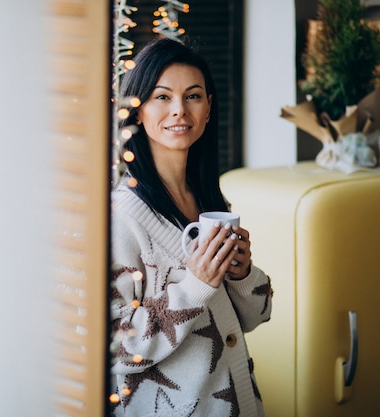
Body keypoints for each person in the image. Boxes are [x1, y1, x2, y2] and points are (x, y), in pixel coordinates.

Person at [110, 38, 273, 417]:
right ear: (137, 110)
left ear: (209, 108)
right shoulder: (123, 217)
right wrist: (194, 286)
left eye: (193, 96)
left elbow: (256, 315)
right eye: (162, 97)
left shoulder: (209, 203)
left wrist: (241, 274)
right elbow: (113, 347)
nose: (179, 111)